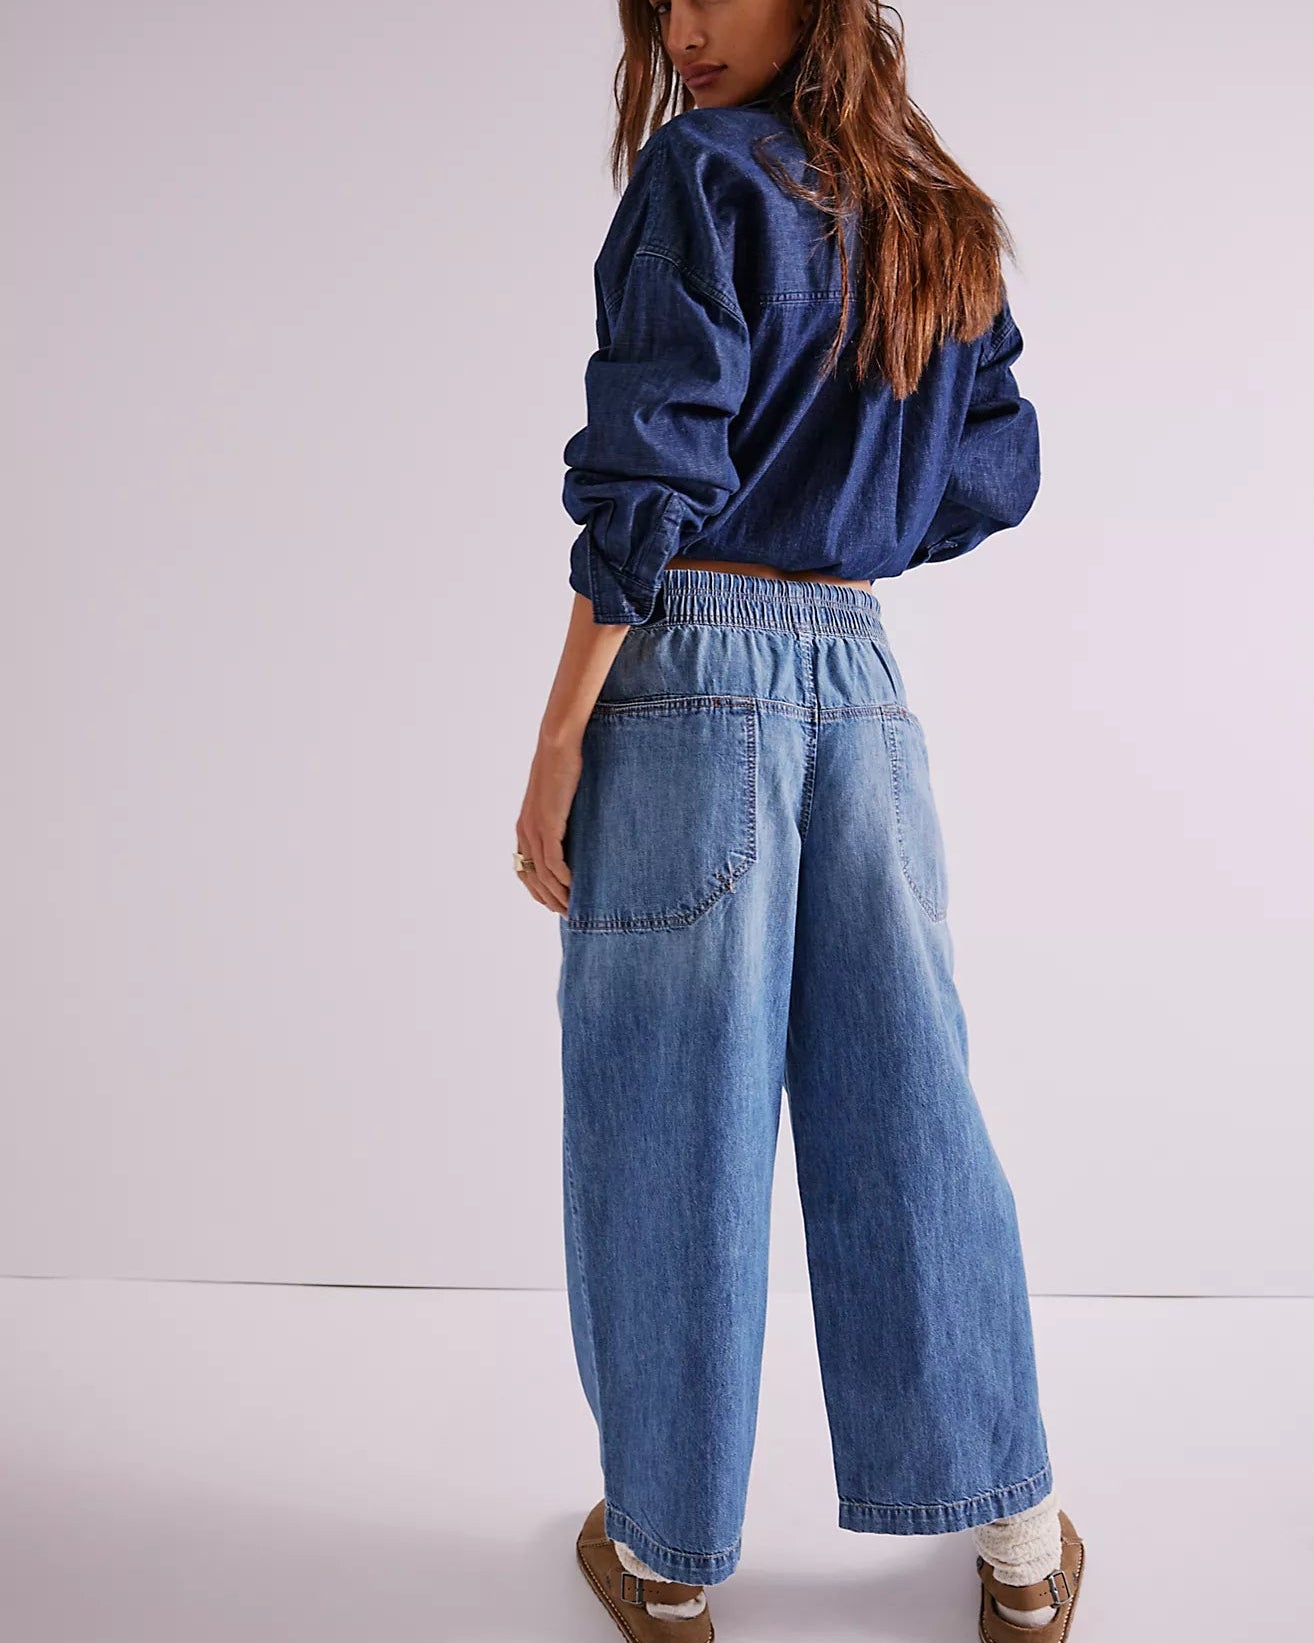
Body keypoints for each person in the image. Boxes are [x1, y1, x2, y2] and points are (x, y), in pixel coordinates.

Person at [514, 3, 1086, 1639]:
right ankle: (1018, 1546)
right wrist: (844, 511)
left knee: (667, 1113)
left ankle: (671, 1558)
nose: (684, 30)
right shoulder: (941, 215)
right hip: (865, 689)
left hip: (688, 666)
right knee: (908, 1103)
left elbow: (647, 468)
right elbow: (987, 476)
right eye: (660, 1)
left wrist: (560, 737)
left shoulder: (705, 173)